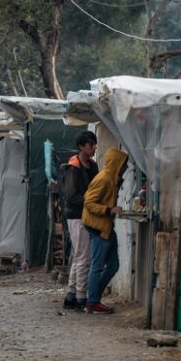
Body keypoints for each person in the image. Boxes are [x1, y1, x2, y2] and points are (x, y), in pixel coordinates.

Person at [82, 148, 129, 314]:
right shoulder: (104, 179)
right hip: (98, 227)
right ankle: (92, 302)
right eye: (124, 165)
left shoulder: (112, 179)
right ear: (117, 164)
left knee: (113, 265)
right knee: (97, 266)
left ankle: (94, 299)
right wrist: (109, 210)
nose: (126, 168)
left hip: (106, 227)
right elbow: (89, 202)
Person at [61, 131, 99, 311]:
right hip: (77, 215)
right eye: (90, 145)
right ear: (81, 147)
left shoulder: (92, 165)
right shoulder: (74, 167)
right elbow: (70, 196)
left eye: (94, 145)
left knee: (80, 256)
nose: (93, 148)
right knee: (84, 256)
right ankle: (81, 296)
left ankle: (72, 294)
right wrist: (91, 203)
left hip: (87, 214)